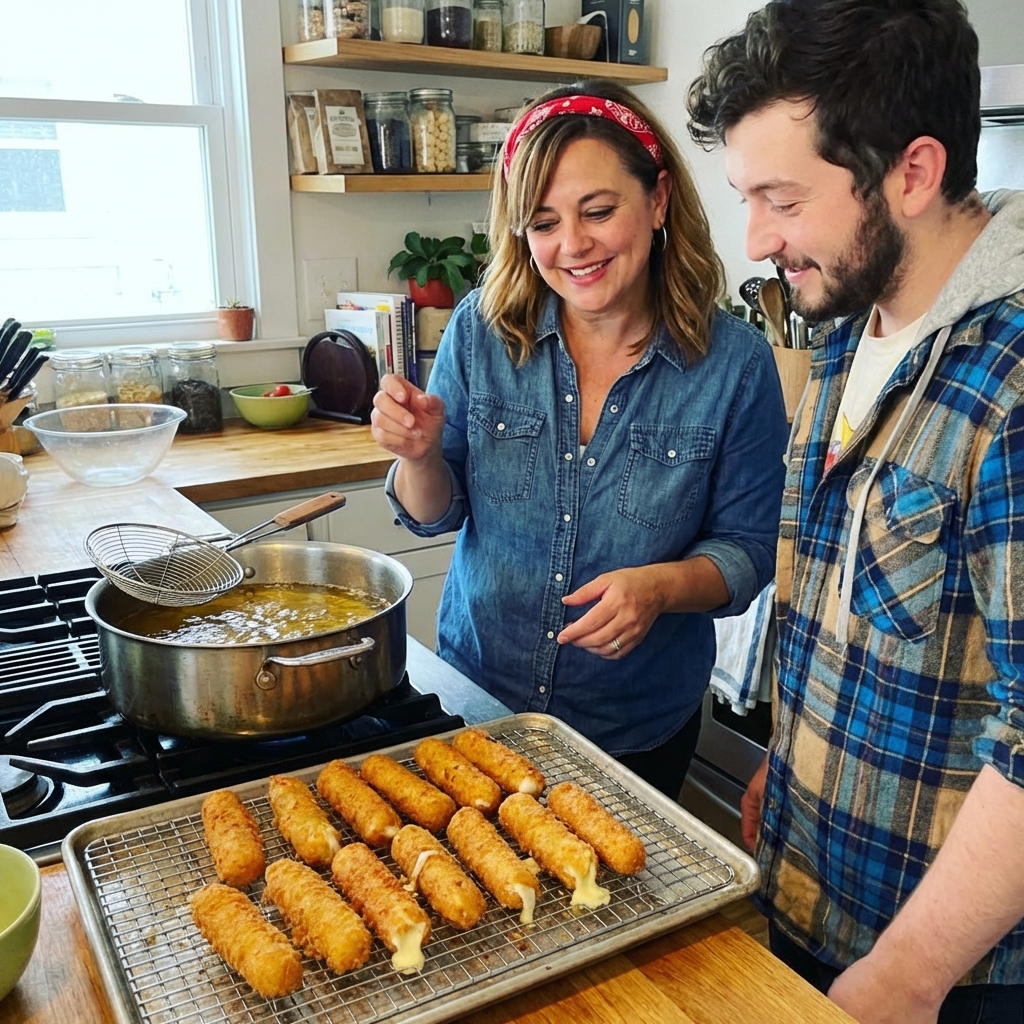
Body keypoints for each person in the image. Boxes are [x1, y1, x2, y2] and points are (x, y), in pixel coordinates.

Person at [687, 1, 1024, 1021]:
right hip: (811, 887)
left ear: (912, 174)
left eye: (780, 199)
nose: (756, 239)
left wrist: (913, 970)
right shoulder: (849, 315)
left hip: (942, 974)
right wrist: (789, 772)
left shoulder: (1010, 381)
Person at [371, 80, 788, 800]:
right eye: (542, 223)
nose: (572, 246)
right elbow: (435, 511)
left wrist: (660, 588)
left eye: (598, 211)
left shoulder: (736, 364)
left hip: (637, 729)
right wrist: (420, 455)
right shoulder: (481, 330)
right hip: (480, 707)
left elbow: (748, 551)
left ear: (658, 201)